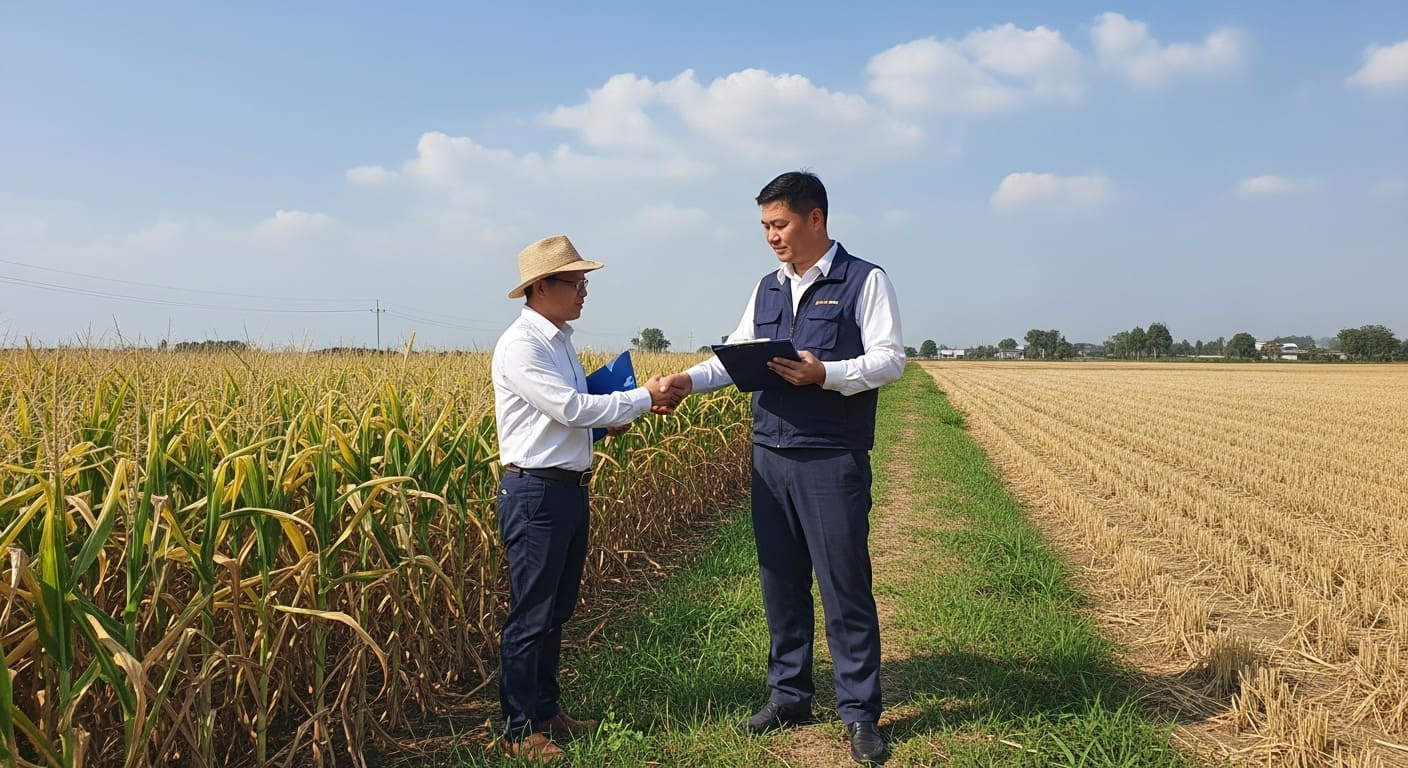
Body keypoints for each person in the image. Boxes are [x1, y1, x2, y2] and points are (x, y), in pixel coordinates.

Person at [661, 171, 904, 764]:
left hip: (829, 456)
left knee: (844, 585)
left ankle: (859, 713)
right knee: (780, 582)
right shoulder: (766, 288)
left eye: (780, 224)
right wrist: (686, 381)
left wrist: (829, 374)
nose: (771, 236)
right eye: (765, 226)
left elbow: (891, 360)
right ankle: (789, 696)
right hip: (769, 455)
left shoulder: (864, 281)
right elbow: (734, 358)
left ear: (815, 219)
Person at [491, 234, 684, 762]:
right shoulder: (522, 346)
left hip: (568, 490)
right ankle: (518, 730)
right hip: (535, 493)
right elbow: (571, 408)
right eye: (575, 282)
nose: (583, 292)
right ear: (540, 287)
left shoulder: (558, 340)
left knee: (556, 609)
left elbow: (571, 418)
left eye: (584, 282)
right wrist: (644, 398)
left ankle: (548, 710)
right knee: (530, 613)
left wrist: (611, 421)